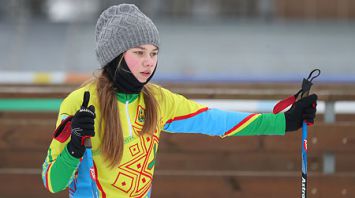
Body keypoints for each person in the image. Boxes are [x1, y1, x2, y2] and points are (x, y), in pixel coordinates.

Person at [42, 4, 318, 198]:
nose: (149, 62)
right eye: (139, 52)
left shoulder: (157, 100)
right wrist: (75, 147)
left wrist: (283, 121)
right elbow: (52, 182)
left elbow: (215, 120)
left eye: (154, 52)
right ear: (115, 56)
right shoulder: (81, 102)